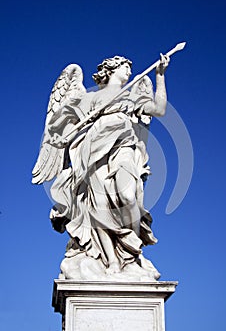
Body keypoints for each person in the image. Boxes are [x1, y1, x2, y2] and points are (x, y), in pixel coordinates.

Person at [33, 54, 169, 280]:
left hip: (123, 147)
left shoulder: (131, 96)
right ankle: (112, 261)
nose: (129, 71)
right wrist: (62, 136)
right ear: (112, 69)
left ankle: (131, 253)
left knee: (127, 196)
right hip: (93, 150)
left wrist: (160, 76)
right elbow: (65, 124)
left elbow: (159, 109)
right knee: (97, 206)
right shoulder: (89, 98)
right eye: (126, 67)